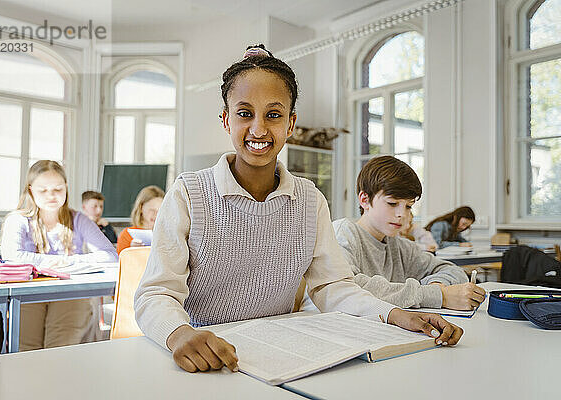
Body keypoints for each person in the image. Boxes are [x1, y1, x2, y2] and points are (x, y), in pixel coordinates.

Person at [134, 44, 463, 374]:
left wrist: (395, 314)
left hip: (278, 353)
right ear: (226, 119)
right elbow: (155, 293)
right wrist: (179, 334)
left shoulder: (309, 200)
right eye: (244, 113)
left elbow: (332, 287)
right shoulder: (189, 193)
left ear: (290, 124)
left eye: (273, 115)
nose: (259, 129)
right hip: (206, 353)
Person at [332, 156, 485, 311]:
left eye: (408, 206)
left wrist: (437, 286)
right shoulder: (343, 233)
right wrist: (438, 296)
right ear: (365, 200)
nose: (402, 214)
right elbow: (348, 289)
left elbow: (453, 270)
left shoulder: (400, 246)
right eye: (392, 203)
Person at [0, 160, 118, 351]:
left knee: (60, 349)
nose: (51, 196)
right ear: (30, 190)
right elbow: (12, 257)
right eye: (43, 190)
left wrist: (63, 262)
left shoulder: (78, 219)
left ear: (66, 188)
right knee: (26, 350)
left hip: (69, 293)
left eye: (57, 189)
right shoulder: (17, 220)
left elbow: (110, 257)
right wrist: (62, 263)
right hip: (27, 294)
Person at [116, 185, 164, 255]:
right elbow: (121, 263)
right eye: (152, 210)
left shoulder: (165, 234)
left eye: (159, 211)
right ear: (141, 207)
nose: (156, 215)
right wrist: (131, 250)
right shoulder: (127, 235)